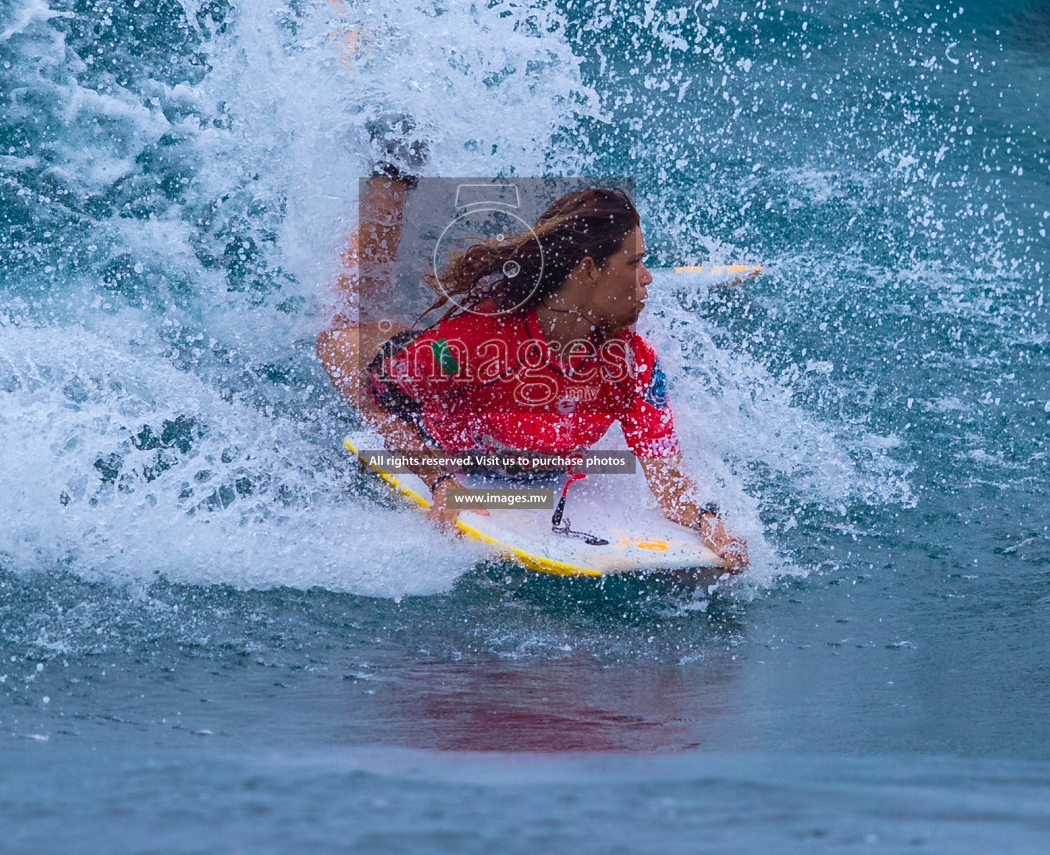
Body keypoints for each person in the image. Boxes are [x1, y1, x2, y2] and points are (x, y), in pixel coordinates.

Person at [317, 123, 747, 570]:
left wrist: (706, 519)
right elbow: (378, 400)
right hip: (399, 367)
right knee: (347, 320)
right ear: (587, 272)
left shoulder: (632, 366)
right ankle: (391, 168)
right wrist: (440, 477)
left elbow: (669, 480)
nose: (649, 277)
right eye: (635, 263)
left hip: (482, 384)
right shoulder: (479, 344)